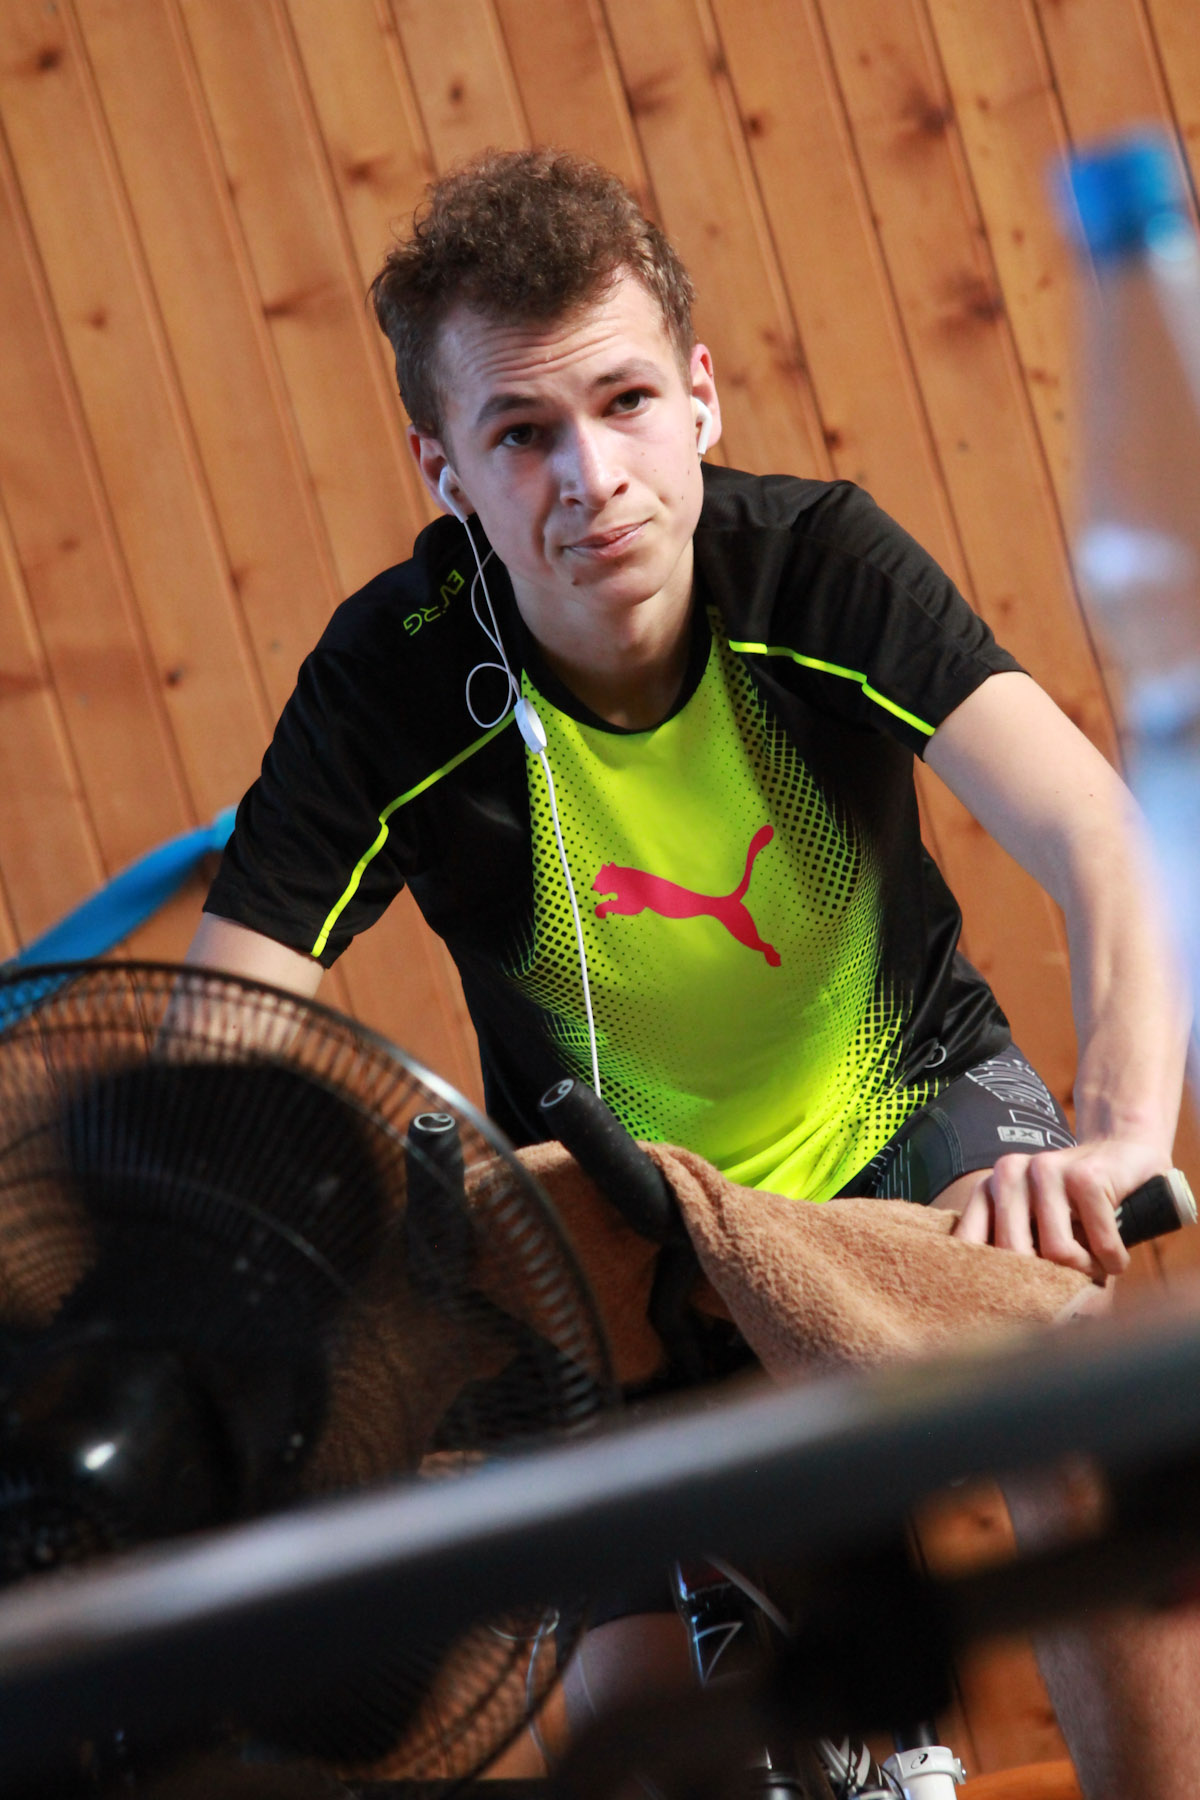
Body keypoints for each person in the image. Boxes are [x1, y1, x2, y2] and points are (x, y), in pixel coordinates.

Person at [187, 149, 1192, 1797]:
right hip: (621, 1194)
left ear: (701, 399)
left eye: (627, 402)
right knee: (628, 1701)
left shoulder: (822, 564)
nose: (592, 476)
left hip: (911, 1109)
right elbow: (219, 1046)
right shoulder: (386, 684)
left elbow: (1099, 832)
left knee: (1078, 1406)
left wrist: (1121, 1134)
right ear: (445, 469)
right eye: (524, 433)